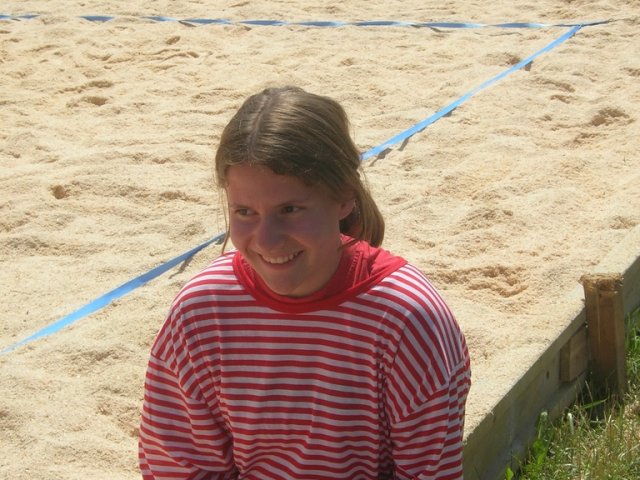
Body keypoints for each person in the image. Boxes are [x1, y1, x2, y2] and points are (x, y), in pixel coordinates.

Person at [138, 86, 471, 479]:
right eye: (244, 212)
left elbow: (428, 471)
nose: (266, 241)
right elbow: (180, 465)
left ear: (344, 197)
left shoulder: (406, 320)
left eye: (290, 209)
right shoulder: (201, 313)